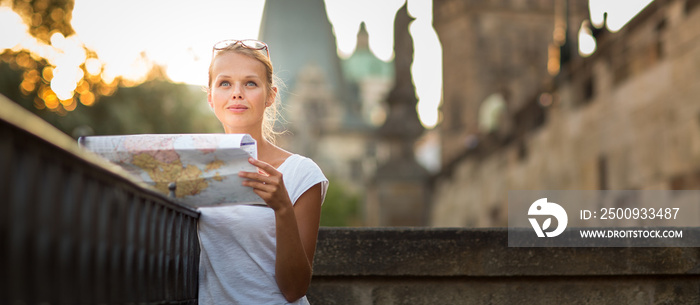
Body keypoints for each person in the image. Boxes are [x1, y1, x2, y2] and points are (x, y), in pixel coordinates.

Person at [197, 39, 328, 304]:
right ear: (211, 97)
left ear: (270, 96)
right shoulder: (191, 169)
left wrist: (282, 208)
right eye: (225, 83)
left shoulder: (302, 173)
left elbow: (295, 289)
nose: (237, 93)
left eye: (250, 83)